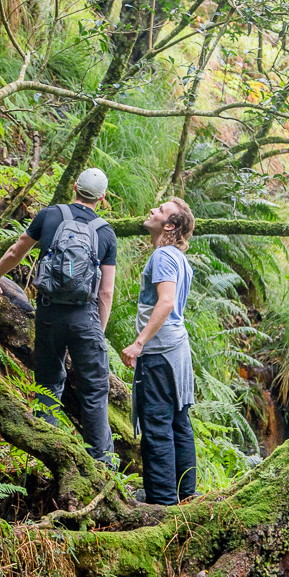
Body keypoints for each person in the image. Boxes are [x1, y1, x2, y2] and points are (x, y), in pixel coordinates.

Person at [0, 168, 117, 465]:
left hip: (49, 312)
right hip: (85, 317)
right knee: (94, 390)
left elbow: (17, 251)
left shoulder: (50, 215)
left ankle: (44, 451)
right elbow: (106, 293)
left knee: (48, 382)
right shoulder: (106, 232)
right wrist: (97, 332)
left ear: (75, 187)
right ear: (102, 198)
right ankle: (102, 464)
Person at [119, 198, 196, 505]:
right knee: (179, 422)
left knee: (156, 424)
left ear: (169, 226)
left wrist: (140, 342)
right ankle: (186, 495)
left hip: (161, 351)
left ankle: (162, 502)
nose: (151, 210)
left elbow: (166, 302)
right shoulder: (178, 258)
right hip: (177, 349)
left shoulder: (164, 256)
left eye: (160, 210)